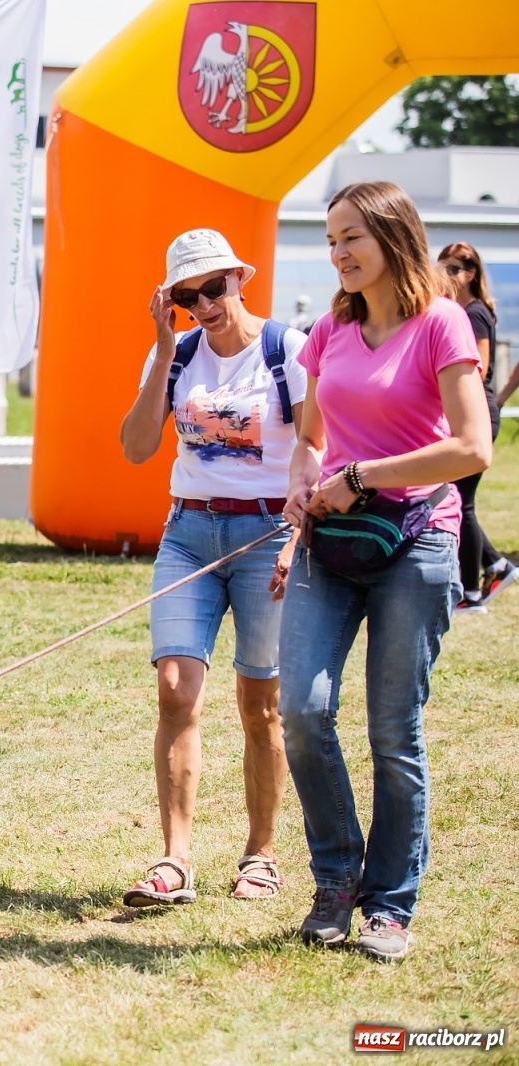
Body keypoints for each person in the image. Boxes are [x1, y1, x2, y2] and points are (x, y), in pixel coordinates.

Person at [281, 181, 491, 961]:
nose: (338, 252)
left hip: (417, 540)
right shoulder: (329, 330)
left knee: (393, 731)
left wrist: (363, 474)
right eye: (331, 239)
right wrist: (303, 480)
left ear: (394, 236)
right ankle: (337, 877)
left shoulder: (442, 323)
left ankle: (390, 907)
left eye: (352, 237)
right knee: (301, 711)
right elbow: (309, 436)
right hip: (332, 543)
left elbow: (472, 447)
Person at [117, 229, 306, 908]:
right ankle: (175, 860)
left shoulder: (288, 351)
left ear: (238, 279)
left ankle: (261, 854)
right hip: (189, 534)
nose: (204, 304)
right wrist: (164, 351)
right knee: (175, 689)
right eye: (187, 296)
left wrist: (296, 536)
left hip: (268, 534)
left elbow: (319, 447)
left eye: (214, 288)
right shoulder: (175, 355)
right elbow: (136, 447)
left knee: (261, 704)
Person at [437, 242, 516, 611]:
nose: (447, 275)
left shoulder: (474, 313)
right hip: (473, 413)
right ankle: (496, 565)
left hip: (476, 414)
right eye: (442, 267)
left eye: (454, 269)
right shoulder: (461, 311)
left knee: (460, 501)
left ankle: (471, 593)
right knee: (453, 496)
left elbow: (477, 368)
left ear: (471, 273)